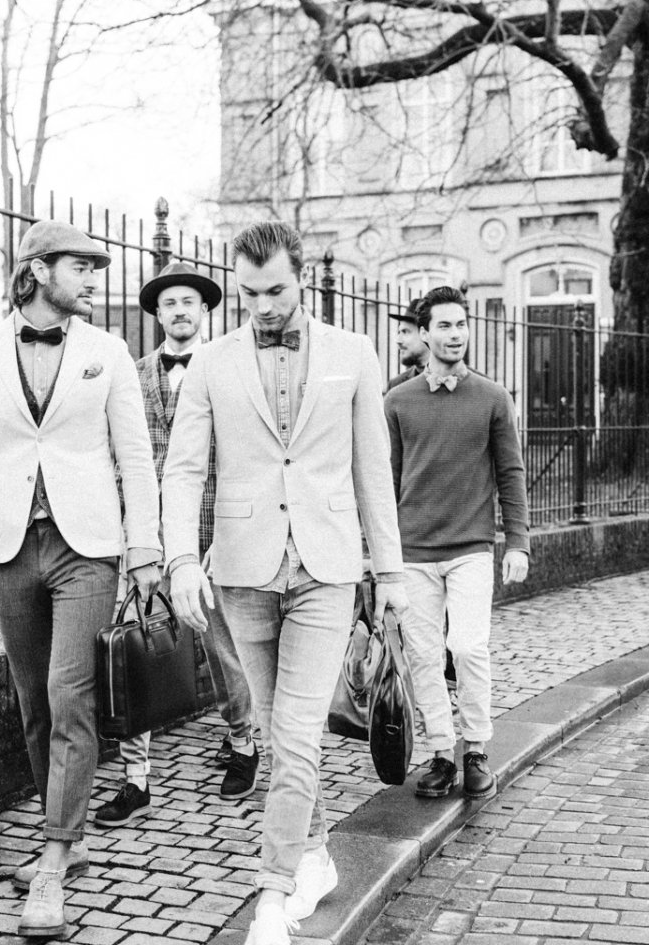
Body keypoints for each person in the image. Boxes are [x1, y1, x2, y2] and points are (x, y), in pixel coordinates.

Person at [0, 220, 161, 939]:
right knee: (34, 703)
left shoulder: (109, 352)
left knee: (70, 693)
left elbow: (136, 457)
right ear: (39, 270)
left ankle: (51, 860)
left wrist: (145, 546)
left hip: (88, 548)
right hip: (9, 546)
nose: (93, 279)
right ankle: (67, 837)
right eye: (81, 266)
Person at [164, 221, 408, 945]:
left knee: (298, 734)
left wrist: (390, 571)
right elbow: (184, 469)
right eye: (249, 293)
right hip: (242, 571)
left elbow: (373, 471)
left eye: (275, 290)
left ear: (301, 276)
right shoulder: (211, 363)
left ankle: (271, 899)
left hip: (327, 569)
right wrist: (181, 559)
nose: (264, 306)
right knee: (279, 736)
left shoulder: (352, 353)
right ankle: (316, 857)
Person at [93, 260, 261, 827]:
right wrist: (132, 532)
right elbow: (119, 454)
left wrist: (229, 532)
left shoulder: (229, 369)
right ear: (158, 314)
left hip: (212, 533)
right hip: (145, 537)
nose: (180, 311)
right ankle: (135, 778)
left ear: (205, 309)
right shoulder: (133, 373)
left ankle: (242, 742)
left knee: (222, 649)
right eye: (169, 303)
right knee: (133, 649)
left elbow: (243, 456)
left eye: (189, 301)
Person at [383, 285, 530, 801]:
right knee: (424, 656)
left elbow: (511, 473)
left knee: (467, 647)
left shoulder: (492, 398)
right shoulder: (396, 402)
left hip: (471, 548)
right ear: (424, 334)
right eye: (444, 325)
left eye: (461, 324)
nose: (455, 334)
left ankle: (477, 750)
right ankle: (443, 754)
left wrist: (518, 542)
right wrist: (379, 557)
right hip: (413, 554)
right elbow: (385, 482)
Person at [385, 298, 428, 392]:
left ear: (425, 334)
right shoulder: (395, 385)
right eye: (399, 332)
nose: (398, 340)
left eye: (405, 332)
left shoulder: (455, 381)